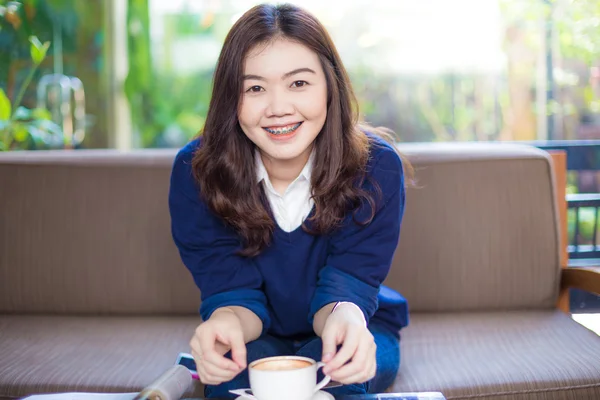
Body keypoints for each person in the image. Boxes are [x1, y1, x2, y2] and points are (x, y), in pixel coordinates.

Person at [168, 3, 411, 398]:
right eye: (255, 88)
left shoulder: (377, 167)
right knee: (231, 387)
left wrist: (347, 321)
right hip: (255, 333)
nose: (278, 108)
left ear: (330, 86)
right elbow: (234, 295)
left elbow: (346, 291)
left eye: (299, 83)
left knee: (339, 381)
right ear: (232, 98)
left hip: (349, 320)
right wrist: (224, 322)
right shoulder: (195, 172)